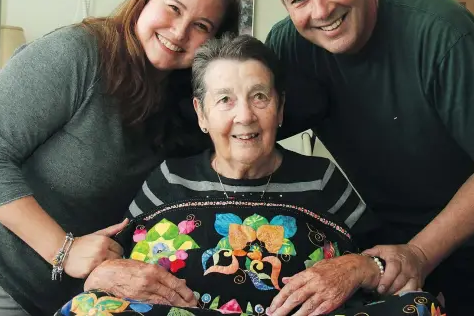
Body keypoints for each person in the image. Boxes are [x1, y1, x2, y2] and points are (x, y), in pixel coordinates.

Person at [54, 34, 446, 316]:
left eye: (259, 96)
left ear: (279, 108)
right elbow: (112, 264)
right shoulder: (170, 180)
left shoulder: (322, 179)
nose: (245, 116)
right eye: (224, 100)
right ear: (202, 114)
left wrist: (361, 266)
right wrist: (102, 273)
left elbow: (386, 265)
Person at [0, 0, 241, 316]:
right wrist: (63, 249)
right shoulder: (78, 53)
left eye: (201, 26)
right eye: (173, 8)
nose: (179, 32)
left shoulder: (183, 106)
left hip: (64, 296)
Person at [263, 0, 474, 316]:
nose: (320, 10)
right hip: (383, 233)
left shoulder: (442, 32)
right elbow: (254, 131)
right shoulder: (288, 45)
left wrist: (419, 252)